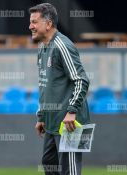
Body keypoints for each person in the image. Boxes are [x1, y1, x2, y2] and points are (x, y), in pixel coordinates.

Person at [29, 3, 91, 175]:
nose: (30, 26)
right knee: (49, 165)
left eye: (34, 22)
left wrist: (71, 111)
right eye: (30, 22)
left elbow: (82, 80)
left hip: (69, 123)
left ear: (48, 24)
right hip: (51, 123)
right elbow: (45, 83)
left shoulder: (63, 46)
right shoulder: (42, 47)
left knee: (69, 171)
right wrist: (41, 116)